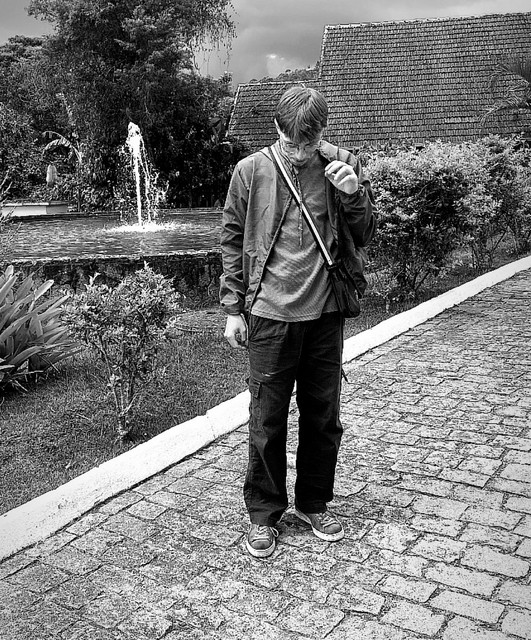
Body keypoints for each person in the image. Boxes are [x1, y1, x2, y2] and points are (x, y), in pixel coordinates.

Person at [220, 86, 376, 558]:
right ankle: (264, 513)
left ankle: (313, 502)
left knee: (323, 417)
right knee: (266, 420)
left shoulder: (342, 164)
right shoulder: (251, 171)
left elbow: (364, 234)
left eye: (310, 144)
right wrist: (232, 309)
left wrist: (353, 194)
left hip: (325, 314)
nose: (301, 153)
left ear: (323, 132)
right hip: (269, 315)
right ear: (276, 128)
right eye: (292, 143)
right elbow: (232, 239)